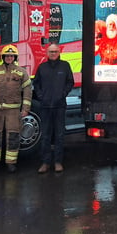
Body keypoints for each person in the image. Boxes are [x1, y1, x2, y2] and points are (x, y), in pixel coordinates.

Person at [0, 44, 32, 174]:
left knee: (13, 137)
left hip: (13, 111)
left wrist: (25, 108)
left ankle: (11, 163)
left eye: (11, 56)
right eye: (7, 56)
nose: (9, 58)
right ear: (2, 57)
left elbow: (27, 91)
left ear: (15, 57)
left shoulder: (21, 72)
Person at [34, 43, 75, 173]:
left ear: (59, 52)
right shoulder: (42, 67)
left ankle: (58, 162)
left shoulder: (65, 66)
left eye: (55, 51)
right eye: (51, 52)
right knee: (45, 135)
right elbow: (36, 84)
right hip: (45, 106)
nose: (53, 54)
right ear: (47, 53)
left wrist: (62, 94)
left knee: (59, 135)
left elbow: (70, 82)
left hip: (59, 106)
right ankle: (45, 163)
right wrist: (41, 96)